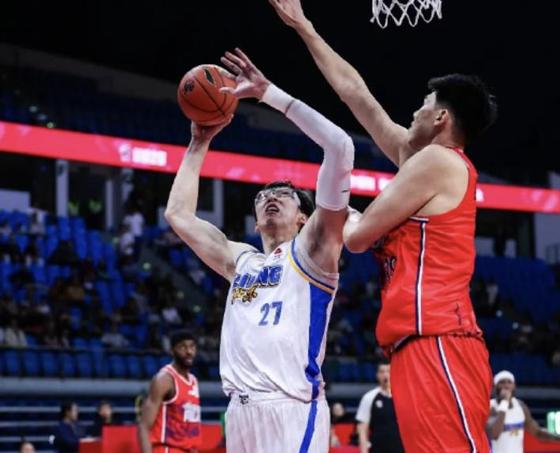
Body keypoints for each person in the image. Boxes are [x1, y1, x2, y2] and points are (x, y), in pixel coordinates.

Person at [269, 1, 497, 451]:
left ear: (441, 118)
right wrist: (305, 28)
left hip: (439, 337)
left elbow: (356, 238)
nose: (413, 113)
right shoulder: (423, 163)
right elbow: (358, 97)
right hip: (412, 344)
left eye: (423, 106)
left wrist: (334, 207)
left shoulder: (439, 161)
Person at [165, 48, 354, 453]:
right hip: (239, 412)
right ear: (254, 223)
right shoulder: (242, 261)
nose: (271, 196)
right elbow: (178, 215)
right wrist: (198, 143)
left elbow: (340, 147)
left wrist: (270, 94)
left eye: (284, 194)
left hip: (291, 408)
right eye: (263, 196)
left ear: (304, 217)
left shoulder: (314, 251)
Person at [138, 330, 202, 453]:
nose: (189, 351)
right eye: (182, 347)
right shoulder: (164, 379)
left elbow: (190, 426)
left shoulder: (193, 380)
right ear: (172, 351)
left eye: (192, 346)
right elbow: (144, 426)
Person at [487, 371, 560, 452]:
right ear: (495, 387)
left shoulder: (520, 406)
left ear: (514, 386)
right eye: (502, 382)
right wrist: (504, 402)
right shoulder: (490, 407)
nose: (506, 385)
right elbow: (494, 434)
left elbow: (537, 432)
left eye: (509, 382)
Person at [355, 362, 404, 453]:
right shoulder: (369, 397)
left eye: (388, 371)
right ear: (377, 375)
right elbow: (362, 428)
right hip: (377, 449)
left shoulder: (404, 397)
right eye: (382, 372)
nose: (385, 375)